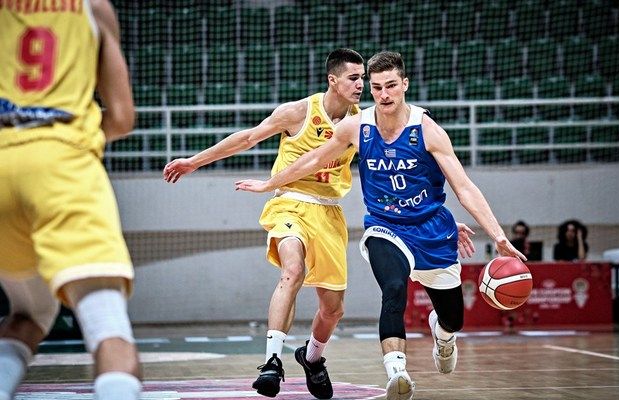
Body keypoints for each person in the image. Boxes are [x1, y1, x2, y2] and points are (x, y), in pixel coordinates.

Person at [236, 51, 525, 400]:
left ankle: (443, 333)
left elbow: (464, 188)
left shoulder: (428, 131)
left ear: (405, 84)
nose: (384, 94)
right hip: (385, 227)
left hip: (431, 229)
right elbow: (313, 159)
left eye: (391, 86)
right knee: (393, 288)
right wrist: (270, 183)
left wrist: (499, 237)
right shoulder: (356, 127)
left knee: (453, 319)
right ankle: (397, 372)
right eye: (376, 87)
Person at [164, 49, 366, 399]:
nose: (360, 84)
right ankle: (272, 362)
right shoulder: (298, 112)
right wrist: (194, 162)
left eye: (362, 78)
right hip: (289, 202)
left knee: (333, 310)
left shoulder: (362, 123)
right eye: (353, 77)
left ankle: (312, 358)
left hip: (330, 211)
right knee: (292, 270)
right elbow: (247, 138)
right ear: (333, 80)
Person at [0, 1, 142, 399]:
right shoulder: (92, 7)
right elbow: (121, 117)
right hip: (62, 163)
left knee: (31, 313)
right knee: (108, 325)